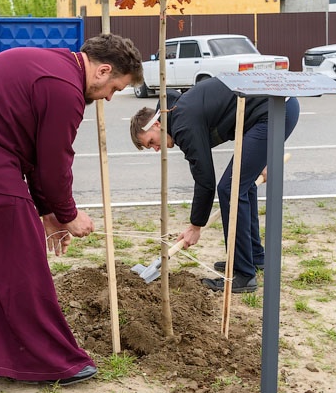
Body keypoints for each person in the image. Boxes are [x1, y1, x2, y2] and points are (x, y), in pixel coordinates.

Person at [0, 34, 143, 385]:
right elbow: (54, 163)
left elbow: (37, 153)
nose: (110, 98)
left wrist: (49, 212)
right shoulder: (65, 88)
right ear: (103, 70)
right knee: (21, 258)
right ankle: (51, 360)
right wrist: (68, 214)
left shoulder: (56, 66)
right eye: (115, 88)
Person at [129, 76, 300, 293]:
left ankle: (244, 275)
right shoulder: (178, 111)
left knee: (230, 188)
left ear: (156, 124)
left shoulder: (182, 124)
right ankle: (254, 257)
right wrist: (262, 157)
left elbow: (205, 180)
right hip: (276, 107)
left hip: (273, 112)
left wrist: (195, 226)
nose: (156, 149)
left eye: (152, 142)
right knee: (242, 185)